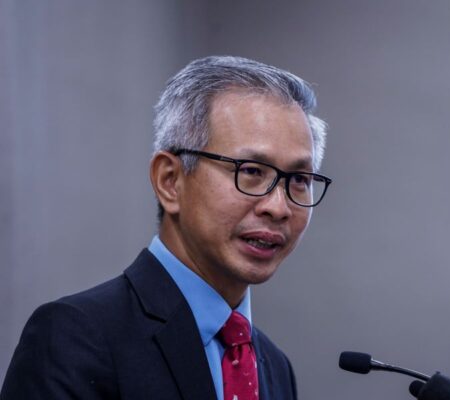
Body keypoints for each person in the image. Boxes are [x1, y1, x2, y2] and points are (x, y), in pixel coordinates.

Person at [1, 56, 331, 400]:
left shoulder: (275, 367)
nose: (278, 207)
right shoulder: (77, 337)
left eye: (298, 179)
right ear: (170, 181)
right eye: (250, 171)